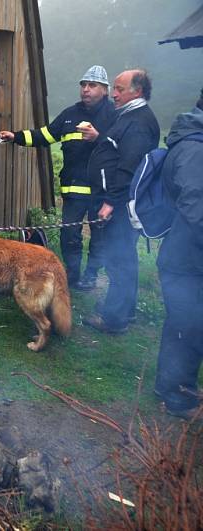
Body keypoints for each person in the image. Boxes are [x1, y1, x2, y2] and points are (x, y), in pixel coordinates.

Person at [0, 65, 116, 290]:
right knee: (69, 234)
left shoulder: (114, 114)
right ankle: (71, 277)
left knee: (99, 236)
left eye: (92, 85)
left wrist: (99, 137)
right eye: (83, 85)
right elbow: (46, 135)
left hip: (102, 190)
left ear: (105, 90)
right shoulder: (71, 114)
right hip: (74, 189)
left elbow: (122, 147)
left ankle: (91, 275)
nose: (86, 90)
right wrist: (17, 136)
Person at [83, 69, 159, 334]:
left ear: (136, 91)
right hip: (118, 201)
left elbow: (129, 167)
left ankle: (114, 320)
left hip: (121, 204)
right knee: (123, 258)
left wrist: (111, 202)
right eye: (114, 89)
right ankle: (124, 309)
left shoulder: (138, 121)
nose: (114, 94)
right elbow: (115, 150)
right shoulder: (128, 116)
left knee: (119, 259)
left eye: (119, 89)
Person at [153, 88, 203, 419]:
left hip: (187, 256)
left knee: (185, 323)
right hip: (187, 260)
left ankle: (174, 387)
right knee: (187, 325)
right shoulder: (194, 148)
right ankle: (176, 394)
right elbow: (195, 204)